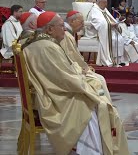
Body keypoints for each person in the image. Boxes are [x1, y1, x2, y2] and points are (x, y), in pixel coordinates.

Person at [22, 11, 129, 155]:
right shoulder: (48, 47)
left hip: (51, 90)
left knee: (95, 94)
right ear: (49, 29)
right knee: (90, 106)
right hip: (54, 98)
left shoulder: (40, 43)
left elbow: (61, 73)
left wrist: (82, 77)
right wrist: (86, 85)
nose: (65, 29)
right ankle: (89, 151)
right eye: (61, 26)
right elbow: (65, 78)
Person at [61, 10, 112, 102]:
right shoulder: (67, 36)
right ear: (72, 21)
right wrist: (85, 68)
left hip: (72, 69)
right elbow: (74, 57)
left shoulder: (67, 34)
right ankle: (102, 104)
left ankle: (103, 103)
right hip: (71, 72)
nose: (83, 25)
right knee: (99, 80)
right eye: (81, 22)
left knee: (99, 79)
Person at [86, 0, 125, 66]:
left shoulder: (104, 9)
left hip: (107, 30)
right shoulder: (94, 10)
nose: (106, 4)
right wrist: (110, 24)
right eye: (104, 2)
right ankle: (110, 59)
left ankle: (118, 60)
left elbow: (111, 19)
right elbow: (99, 22)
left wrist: (115, 23)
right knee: (112, 39)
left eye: (106, 2)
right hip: (95, 31)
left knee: (119, 38)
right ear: (99, 2)